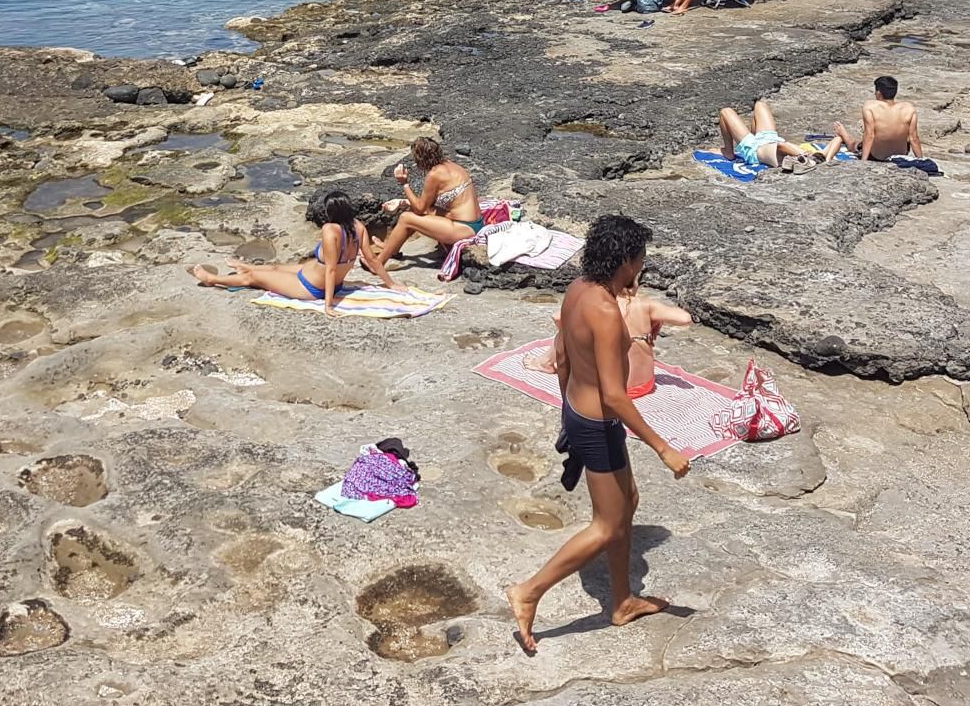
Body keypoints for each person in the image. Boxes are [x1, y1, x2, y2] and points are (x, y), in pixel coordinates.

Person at [507, 214, 688, 656]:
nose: (642, 268)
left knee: (628, 502)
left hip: (578, 410)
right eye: (640, 260)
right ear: (625, 261)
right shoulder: (606, 313)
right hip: (598, 423)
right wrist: (664, 448)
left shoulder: (577, 289)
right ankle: (529, 591)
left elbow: (564, 357)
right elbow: (616, 396)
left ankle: (623, 601)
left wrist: (567, 407)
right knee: (607, 525)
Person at [189, 189, 396, 310]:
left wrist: (328, 303)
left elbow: (331, 269)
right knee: (276, 268)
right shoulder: (358, 226)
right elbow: (374, 260)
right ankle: (244, 265)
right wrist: (391, 285)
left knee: (252, 278)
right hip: (314, 276)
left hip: (312, 287)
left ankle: (213, 280)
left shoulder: (330, 230)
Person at [529, 279, 693, 401]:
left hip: (609, 390)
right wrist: (657, 319)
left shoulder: (598, 304)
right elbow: (685, 318)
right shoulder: (645, 305)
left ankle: (545, 362)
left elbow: (557, 317)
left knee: (568, 330)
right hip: (645, 385)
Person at [367, 137, 485, 271]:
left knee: (407, 218)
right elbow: (426, 205)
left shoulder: (435, 174)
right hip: (476, 223)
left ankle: (377, 264)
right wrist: (402, 202)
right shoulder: (453, 166)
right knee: (414, 214)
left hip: (464, 229)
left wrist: (404, 184)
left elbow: (419, 208)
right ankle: (392, 249)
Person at [716, 99, 838, 171]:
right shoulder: (816, 156)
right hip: (769, 139)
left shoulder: (793, 158)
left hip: (754, 149)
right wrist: (826, 158)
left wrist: (804, 155)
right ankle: (751, 135)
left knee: (725, 112)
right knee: (760, 105)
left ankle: (728, 152)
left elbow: (781, 146)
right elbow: (837, 139)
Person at [834, 75, 924, 161]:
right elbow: (914, 138)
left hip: (877, 156)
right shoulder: (909, 108)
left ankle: (845, 136)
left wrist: (863, 161)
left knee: (855, 145)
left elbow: (869, 135)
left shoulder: (870, 106)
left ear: (878, 93)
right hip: (900, 155)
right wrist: (921, 160)